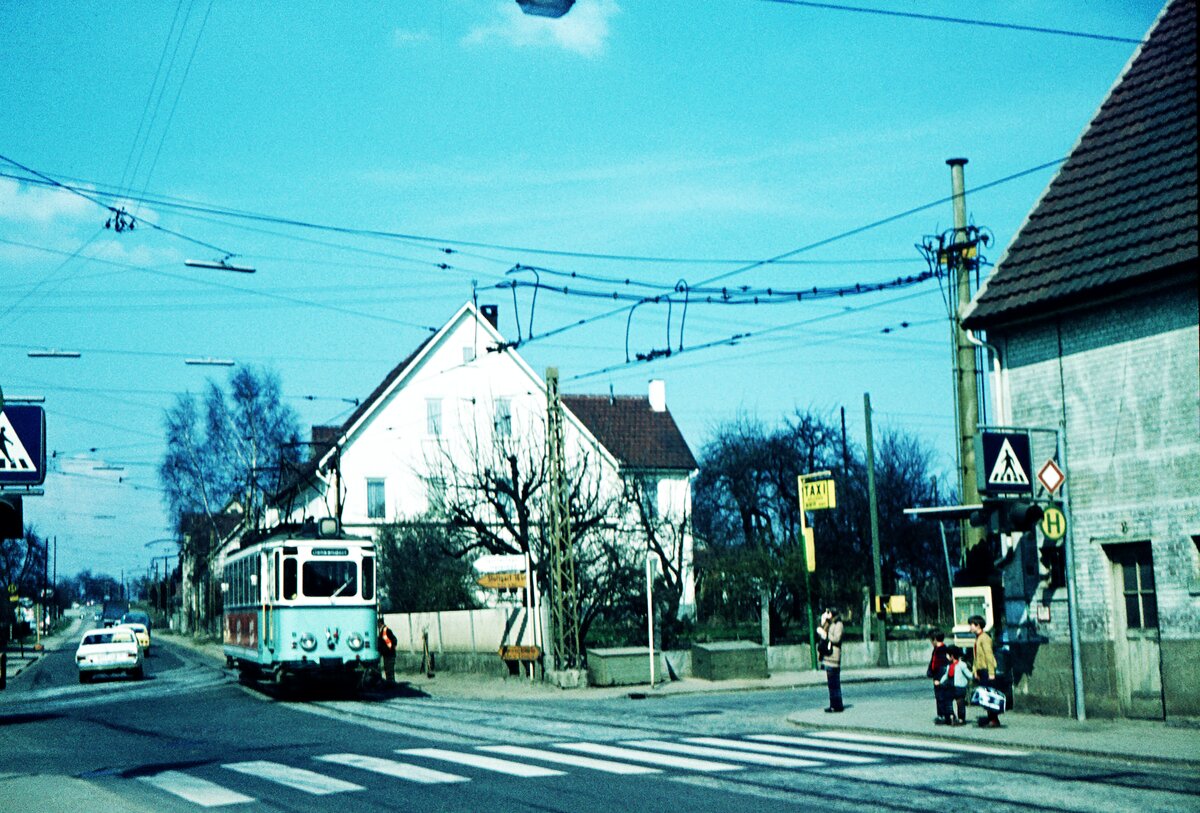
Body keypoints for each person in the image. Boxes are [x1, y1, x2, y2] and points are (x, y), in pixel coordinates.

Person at [969, 615, 1001, 728]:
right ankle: (990, 718)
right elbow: (976, 657)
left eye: (971, 625)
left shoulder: (985, 638)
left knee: (990, 695)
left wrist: (991, 673)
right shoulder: (978, 638)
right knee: (985, 696)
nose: (970, 627)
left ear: (977, 625)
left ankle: (994, 719)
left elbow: (989, 656)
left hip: (987, 671)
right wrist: (975, 671)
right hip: (981, 670)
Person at [815, 606, 844, 712]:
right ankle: (833, 704)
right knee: (831, 684)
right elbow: (821, 632)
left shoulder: (838, 624)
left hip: (834, 657)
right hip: (827, 657)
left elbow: (837, 638)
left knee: (835, 683)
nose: (827, 614)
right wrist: (823, 621)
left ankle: (837, 705)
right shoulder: (829, 623)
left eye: (829, 612)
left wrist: (826, 635)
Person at [926, 630, 949, 723]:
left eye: (931, 640)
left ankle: (943, 715)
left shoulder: (942, 650)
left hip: (940, 676)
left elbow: (940, 665)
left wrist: (938, 678)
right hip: (936, 675)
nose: (931, 643)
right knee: (939, 696)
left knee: (941, 697)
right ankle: (941, 714)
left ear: (934, 639)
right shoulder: (937, 649)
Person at [377, 617, 397, 684]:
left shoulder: (385, 631)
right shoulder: (384, 630)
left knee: (389, 669)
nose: (377, 626)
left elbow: (391, 641)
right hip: (388, 653)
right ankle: (390, 682)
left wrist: (387, 649)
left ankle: (390, 683)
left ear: (380, 623)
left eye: (378, 624)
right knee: (388, 669)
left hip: (389, 654)